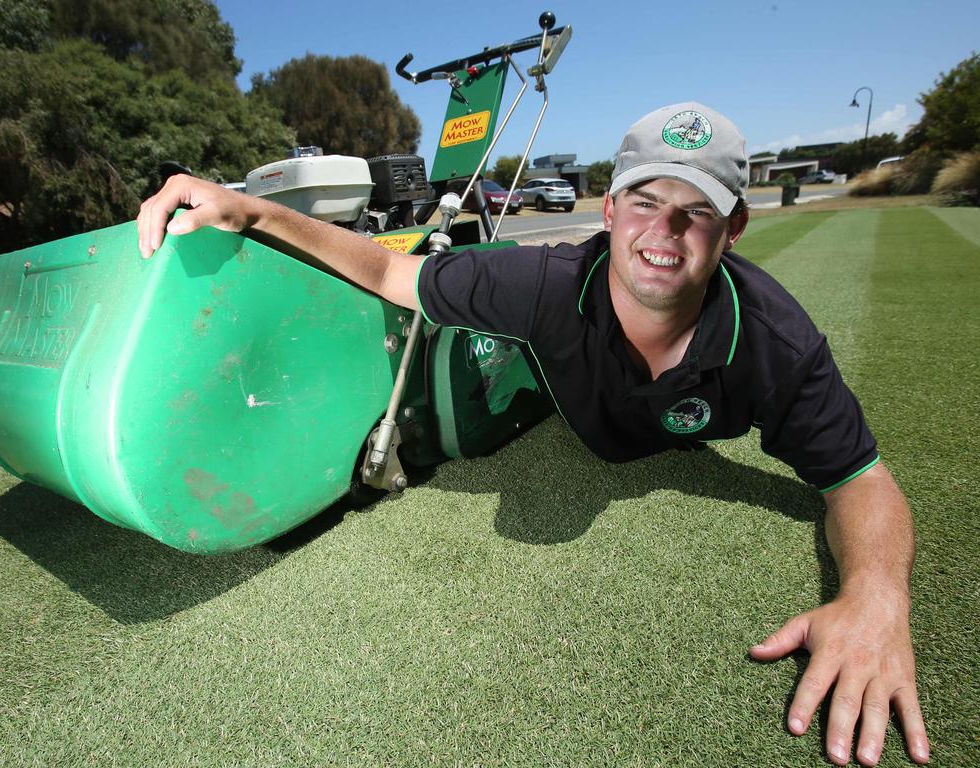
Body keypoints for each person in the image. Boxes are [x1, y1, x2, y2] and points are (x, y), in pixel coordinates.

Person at [137, 102, 929, 767]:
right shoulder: (543, 282)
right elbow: (386, 274)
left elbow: (860, 479)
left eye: (696, 212)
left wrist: (875, 596)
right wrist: (255, 209)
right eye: (646, 201)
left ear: (734, 229)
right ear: (610, 211)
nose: (666, 230)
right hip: (550, 388)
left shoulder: (774, 343)